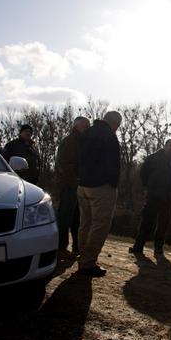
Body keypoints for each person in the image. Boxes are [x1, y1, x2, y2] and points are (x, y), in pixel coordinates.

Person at [76, 111, 122, 277]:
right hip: (101, 187)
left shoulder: (87, 132)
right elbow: (113, 163)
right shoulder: (109, 136)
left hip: (82, 185)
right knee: (100, 225)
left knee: (85, 222)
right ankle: (88, 263)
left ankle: (82, 254)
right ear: (116, 123)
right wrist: (113, 183)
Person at [129, 139, 171, 255]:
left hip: (168, 197)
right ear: (165, 146)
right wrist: (150, 186)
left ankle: (158, 248)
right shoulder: (153, 157)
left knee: (163, 224)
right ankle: (138, 246)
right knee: (147, 220)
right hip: (154, 195)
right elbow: (143, 173)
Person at [54, 116, 90, 254]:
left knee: (78, 218)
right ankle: (61, 246)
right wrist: (74, 181)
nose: (87, 129)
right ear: (76, 126)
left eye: (88, 126)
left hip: (79, 185)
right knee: (65, 216)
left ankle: (77, 246)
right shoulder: (70, 141)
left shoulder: (83, 142)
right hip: (68, 185)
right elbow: (63, 164)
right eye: (84, 126)